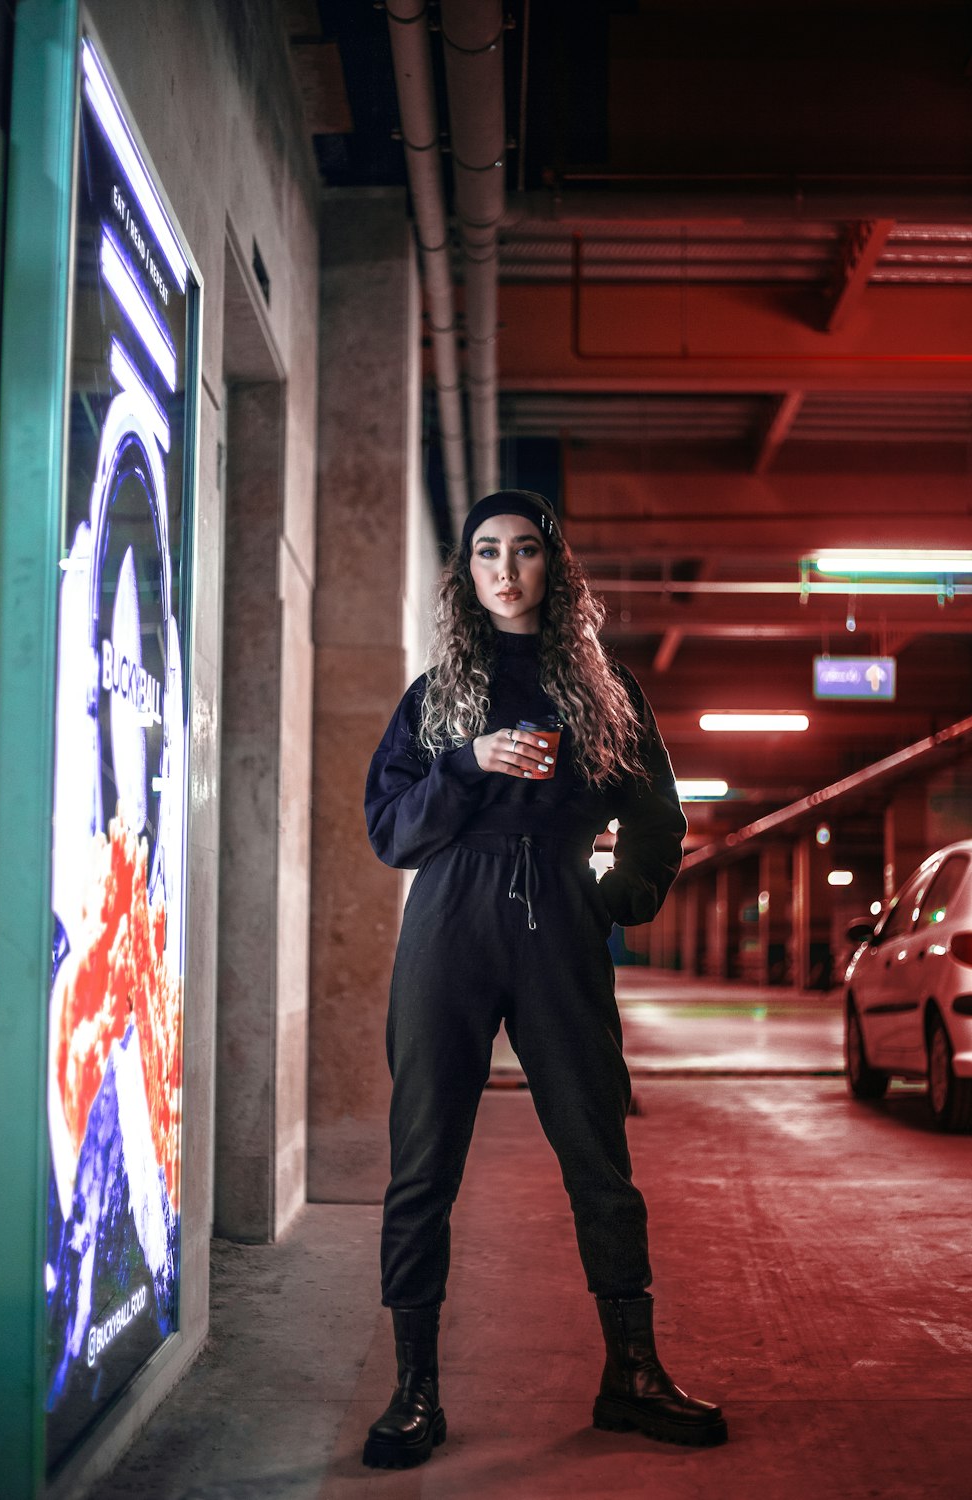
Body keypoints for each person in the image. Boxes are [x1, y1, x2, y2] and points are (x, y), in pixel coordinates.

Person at [362, 489, 727, 1469]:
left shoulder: (605, 695)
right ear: (468, 574)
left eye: (526, 550)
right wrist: (468, 762)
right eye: (488, 552)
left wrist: (615, 896)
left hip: (560, 923)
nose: (507, 568)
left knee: (596, 1152)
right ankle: (414, 1390)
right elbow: (391, 832)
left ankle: (633, 1373)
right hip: (450, 923)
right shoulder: (437, 695)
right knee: (424, 1156)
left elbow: (657, 817)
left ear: (553, 571)